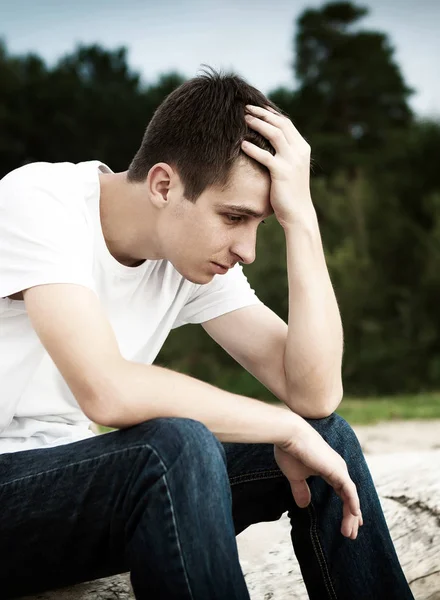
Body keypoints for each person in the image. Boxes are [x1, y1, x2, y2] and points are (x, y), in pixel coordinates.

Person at [0, 69, 413, 600]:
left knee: (326, 440)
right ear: (164, 185)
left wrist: (302, 221)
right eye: (234, 216)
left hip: (64, 499)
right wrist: (281, 427)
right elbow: (106, 390)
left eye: (259, 224)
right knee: (176, 445)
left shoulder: (185, 257)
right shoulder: (39, 200)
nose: (247, 249)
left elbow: (315, 394)